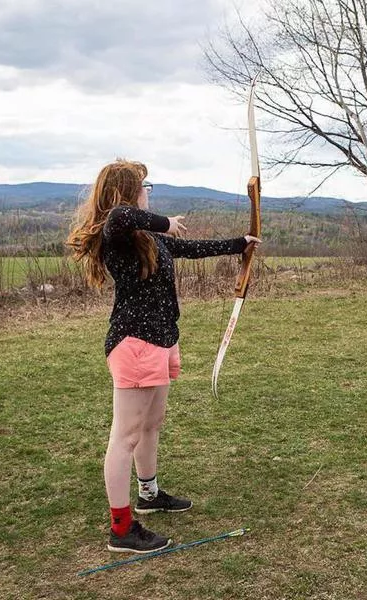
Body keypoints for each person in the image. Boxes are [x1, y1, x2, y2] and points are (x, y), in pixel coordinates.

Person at [66, 159, 260, 553]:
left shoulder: (145, 237)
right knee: (125, 435)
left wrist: (240, 244)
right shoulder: (117, 231)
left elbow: (191, 248)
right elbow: (119, 215)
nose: (148, 192)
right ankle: (121, 529)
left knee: (152, 424)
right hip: (135, 343)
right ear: (127, 192)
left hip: (161, 340)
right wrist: (164, 220)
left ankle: (150, 494)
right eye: (143, 186)